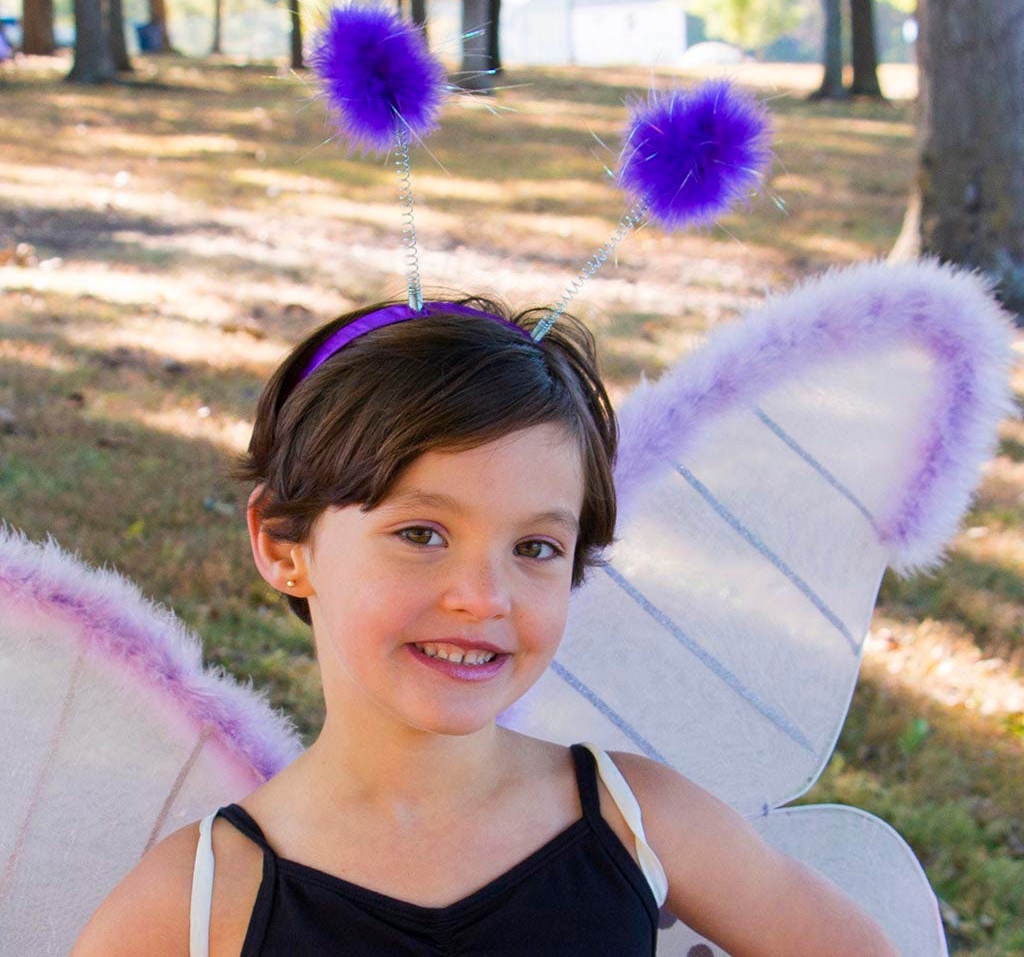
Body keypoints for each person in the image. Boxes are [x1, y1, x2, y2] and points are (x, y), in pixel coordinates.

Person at [70, 293, 899, 957]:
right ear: (284, 544)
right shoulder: (201, 901)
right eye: (421, 534)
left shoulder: (639, 820)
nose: (484, 596)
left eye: (535, 547)